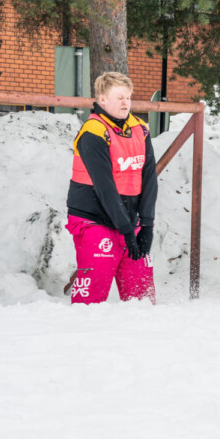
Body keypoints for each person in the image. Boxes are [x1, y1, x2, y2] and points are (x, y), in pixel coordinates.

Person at [65, 72, 157, 304]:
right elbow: (104, 187)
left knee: (142, 297)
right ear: (102, 99)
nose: (126, 102)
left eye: (128, 97)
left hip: (128, 220)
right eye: (119, 97)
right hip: (94, 218)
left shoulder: (140, 129)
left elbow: (149, 178)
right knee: (90, 301)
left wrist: (145, 224)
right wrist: (127, 230)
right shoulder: (93, 132)